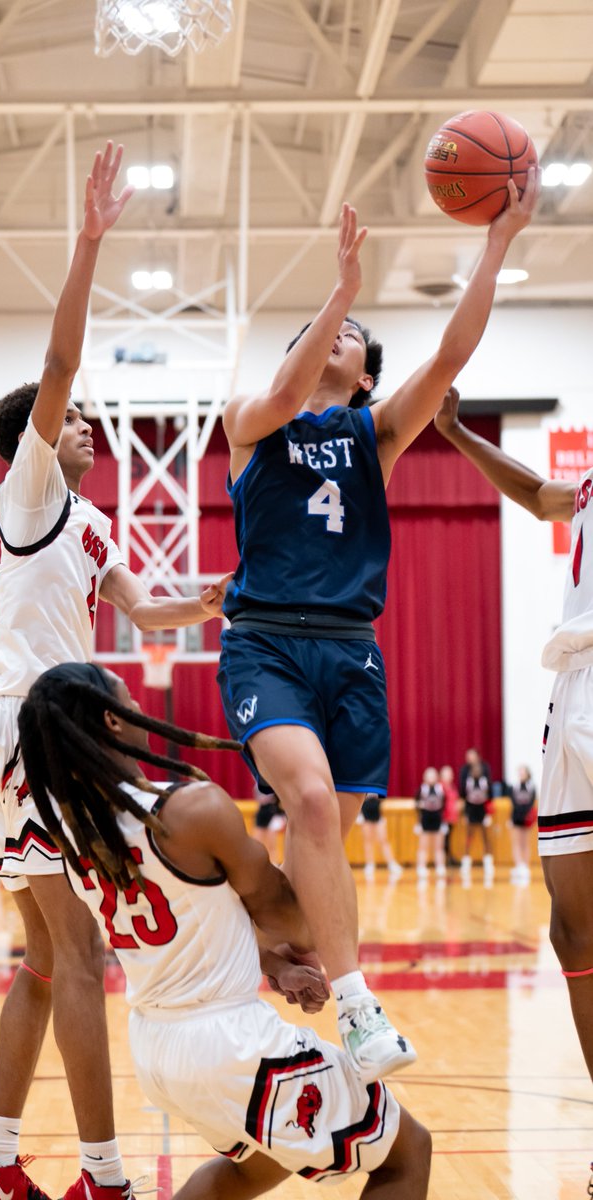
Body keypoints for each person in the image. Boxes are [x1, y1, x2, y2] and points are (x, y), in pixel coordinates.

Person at [0, 142, 231, 1200]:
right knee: (81, 954)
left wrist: (200, 600)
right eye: (66, 420)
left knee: (41, 959)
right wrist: (89, 240)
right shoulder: (27, 498)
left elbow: (139, 608)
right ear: (34, 437)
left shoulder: (94, 524)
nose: (81, 425)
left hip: (33, 735)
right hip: (23, 731)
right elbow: (62, 366)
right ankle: (107, 1178)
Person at [216, 172, 538, 1079]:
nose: (342, 339)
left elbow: (450, 356)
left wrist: (497, 244)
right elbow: (281, 396)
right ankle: (358, 1011)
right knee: (310, 803)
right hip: (267, 640)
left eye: (355, 340)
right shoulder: (252, 423)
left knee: (320, 853)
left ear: (364, 377)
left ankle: (265, 944)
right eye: (328, 333)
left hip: (353, 653)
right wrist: (343, 293)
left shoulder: (376, 433)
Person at [18, 661, 432, 1200]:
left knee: (250, 1172)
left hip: (158, 1048)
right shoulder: (192, 809)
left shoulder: (74, 836)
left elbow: (194, 920)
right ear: (111, 721)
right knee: (407, 1154)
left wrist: (275, 964)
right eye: (129, 702)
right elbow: (291, 916)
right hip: (231, 1044)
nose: (141, 709)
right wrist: (321, 819)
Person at [434, 387, 593, 1103]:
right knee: (573, 933)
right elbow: (536, 493)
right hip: (574, 682)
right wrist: (458, 432)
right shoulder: (587, 485)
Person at [460, 760, 494, 881]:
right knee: (469, 837)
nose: (476, 771)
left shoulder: (485, 782)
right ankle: (466, 862)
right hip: (471, 812)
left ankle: (488, 863)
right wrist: (465, 814)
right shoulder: (468, 782)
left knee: (486, 838)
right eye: (474, 770)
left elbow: (490, 799)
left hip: (482, 812)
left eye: (478, 769)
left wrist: (488, 815)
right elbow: (464, 798)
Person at [357, 794, 402, 882]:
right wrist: (359, 814)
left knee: (384, 841)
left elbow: (383, 798)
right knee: (368, 841)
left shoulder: (377, 787)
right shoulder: (363, 790)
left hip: (378, 817)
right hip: (366, 818)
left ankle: (391, 864)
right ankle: (370, 864)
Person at [414, 767, 446, 881]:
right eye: (429, 775)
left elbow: (444, 805)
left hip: (437, 819)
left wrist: (443, 822)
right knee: (423, 845)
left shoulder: (440, 789)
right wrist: (418, 823)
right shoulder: (422, 790)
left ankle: (440, 866)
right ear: (425, 778)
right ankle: (421, 866)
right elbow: (416, 805)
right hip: (425, 820)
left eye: (433, 775)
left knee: (439, 846)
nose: (431, 778)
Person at [509, 765, 536, 885]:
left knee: (525, 842)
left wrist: (528, 816)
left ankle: (525, 866)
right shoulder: (514, 786)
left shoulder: (531, 787)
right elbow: (513, 802)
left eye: (522, 771)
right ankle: (518, 865)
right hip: (516, 817)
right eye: (519, 771)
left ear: (527, 773)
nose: (520, 773)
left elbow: (531, 802)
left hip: (527, 817)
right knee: (516, 842)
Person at [439, 764, 460, 866]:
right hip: (444, 817)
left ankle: (449, 858)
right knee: (443, 840)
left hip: (451, 817)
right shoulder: (440, 787)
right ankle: (446, 860)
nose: (450, 776)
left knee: (448, 838)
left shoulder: (452, 786)